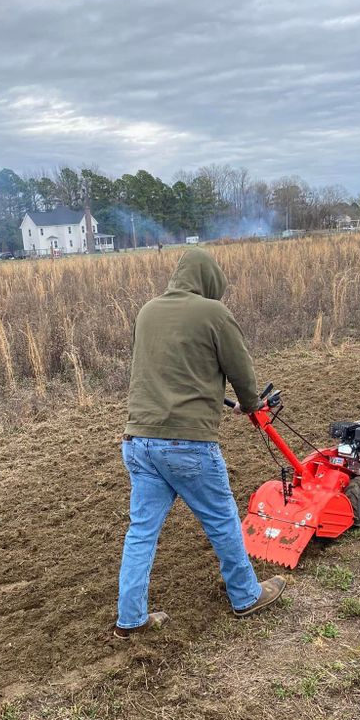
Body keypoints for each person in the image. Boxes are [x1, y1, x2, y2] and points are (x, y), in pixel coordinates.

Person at [115, 247, 287, 639]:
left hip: (138, 442)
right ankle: (246, 595)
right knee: (222, 518)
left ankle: (131, 619)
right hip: (187, 444)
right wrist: (251, 404)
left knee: (141, 531)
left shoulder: (147, 312)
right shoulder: (214, 313)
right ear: (209, 281)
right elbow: (241, 370)